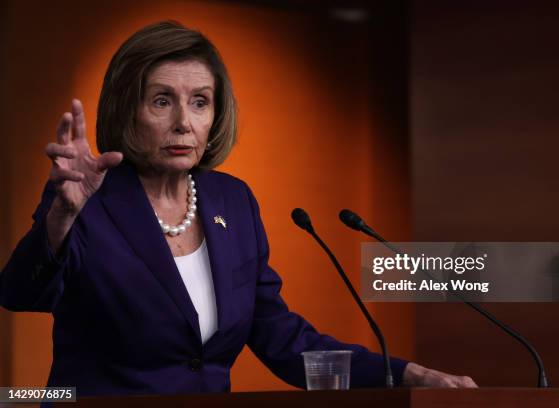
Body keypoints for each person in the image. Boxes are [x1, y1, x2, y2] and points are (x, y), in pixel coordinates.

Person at [0, 21, 476, 395]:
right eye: (162, 101)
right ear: (127, 109)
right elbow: (20, 292)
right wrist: (63, 216)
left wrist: (406, 373)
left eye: (200, 102)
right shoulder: (87, 197)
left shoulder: (233, 200)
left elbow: (282, 339)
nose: (184, 122)